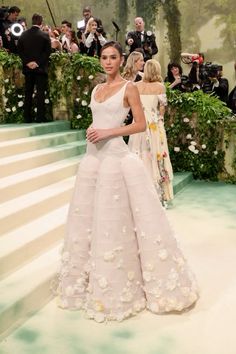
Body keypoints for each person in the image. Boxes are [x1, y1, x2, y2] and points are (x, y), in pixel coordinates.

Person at [55, 40, 199, 323]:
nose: (108, 62)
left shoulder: (129, 87)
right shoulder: (96, 89)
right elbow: (99, 117)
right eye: (104, 57)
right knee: (89, 219)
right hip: (92, 159)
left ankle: (120, 280)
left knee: (113, 220)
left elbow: (140, 124)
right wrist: (93, 128)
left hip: (114, 158)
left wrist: (108, 131)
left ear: (121, 60)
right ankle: (89, 279)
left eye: (113, 57)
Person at [129, 59, 174, 204]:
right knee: (156, 154)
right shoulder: (160, 87)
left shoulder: (136, 86)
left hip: (138, 124)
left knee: (140, 153)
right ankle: (158, 193)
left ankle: (137, 191)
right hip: (154, 125)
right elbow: (162, 108)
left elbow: (133, 107)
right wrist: (159, 120)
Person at [17, 13, 51, 123]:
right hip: (40, 69)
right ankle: (40, 117)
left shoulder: (23, 35)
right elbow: (47, 53)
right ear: (41, 22)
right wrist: (37, 63)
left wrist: (28, 62)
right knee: (40, 92)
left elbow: (20, 51)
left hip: (28, 69)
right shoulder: (45, 35)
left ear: (32, 21)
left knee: (28, 92)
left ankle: (27, 117)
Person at [122, 51, 145, 143]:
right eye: (141, 60)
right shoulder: (124, 77)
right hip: (126, 112)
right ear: (134, 62)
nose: (143, 63)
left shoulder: (143, 77)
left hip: (138, 113)